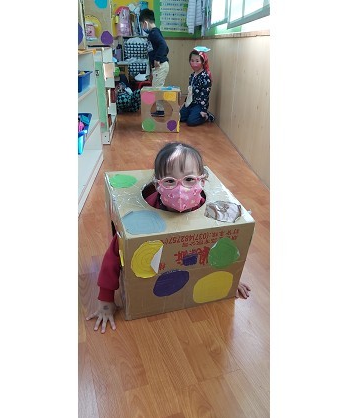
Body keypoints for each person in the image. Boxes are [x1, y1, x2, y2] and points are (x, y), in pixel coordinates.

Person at [86, 142, 252, 333]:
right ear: (158, 184)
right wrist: (106, 300)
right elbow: (113, 258)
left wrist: (232, 277)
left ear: (203, 181)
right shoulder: (142, 223)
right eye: (170, 181)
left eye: (189, 179)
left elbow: (226, 240)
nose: (180, 189)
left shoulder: (213, 212)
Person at [139, 8, 170, 117]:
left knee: (157, 89)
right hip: (159, 67)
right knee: (156, 88)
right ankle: (160, 110)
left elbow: (163, 45)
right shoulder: (154, 32)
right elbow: (166, 48)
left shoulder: (154, 33)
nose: (142, 28)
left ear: (145, 23)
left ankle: (161, 111)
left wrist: (157, 59)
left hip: (161, 66)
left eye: (142, 25)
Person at [180, 49, 215, 126]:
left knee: (191, 122)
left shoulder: (205, 77)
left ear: (203, 62)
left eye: (197, 61)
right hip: (190, 103)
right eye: (192, 61)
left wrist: (203, 110)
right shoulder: (192, 76)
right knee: (179, 117)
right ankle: (192, 113)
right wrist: (185, 103)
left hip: (199, 105)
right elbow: (190, 92)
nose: (194, 64)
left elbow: (205, 95)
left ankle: (207, 116)